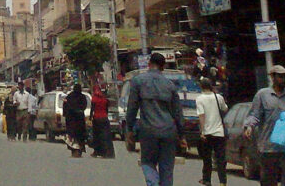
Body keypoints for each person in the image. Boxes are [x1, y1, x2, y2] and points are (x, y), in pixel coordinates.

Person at [126, 52, 186, 186]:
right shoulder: (170, 85)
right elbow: (178, 113)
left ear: (149, 64)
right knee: (167, 168)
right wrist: (182, 135)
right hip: (169, 132)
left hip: (148, 131)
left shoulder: (138, 82)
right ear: (163, 67)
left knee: (147, 162)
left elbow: (132, 108)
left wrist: (129, 129)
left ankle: (153, 183)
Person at [244, 65, 285, 186]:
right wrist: (249, 127)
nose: (283, 79)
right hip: (268, 147)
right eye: (280, 76)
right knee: (268, 179)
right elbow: (254, 115)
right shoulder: (262, 95)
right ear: (273, 77)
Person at [196, 77, 228, 186]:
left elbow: (201, 115)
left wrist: (202, 131)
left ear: (201, 86)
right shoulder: (218, 97)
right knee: (220, 159)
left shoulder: (200, 99)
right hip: (219, 132)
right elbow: (225, 109)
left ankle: (207, 180)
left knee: (207, 158)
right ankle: (222, 182)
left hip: (207, 133)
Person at [63, 83, 88, 157]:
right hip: (79, 120)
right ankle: (79, 150)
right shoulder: (82, 97)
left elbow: (65, 107)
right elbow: (84, 106)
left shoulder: (69, 97)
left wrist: (67, 115)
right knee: (79, 135)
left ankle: (74, 151)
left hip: (71, 120)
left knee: (72, 136)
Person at [91, 84, 115, 158]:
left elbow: (92, 110)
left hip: (97, 119)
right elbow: (106, 110)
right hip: (104, 118)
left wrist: (90, 118)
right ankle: (108, 153)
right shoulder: (105, 100)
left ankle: (98, 152)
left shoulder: (94, 99)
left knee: (97, 136)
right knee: (106, 136)